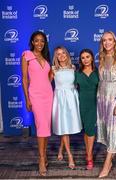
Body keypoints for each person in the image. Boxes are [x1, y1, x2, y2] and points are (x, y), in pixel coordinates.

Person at [97, 31, 116, 178]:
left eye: (110, 40)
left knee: (113, 130)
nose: (107, 43)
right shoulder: (101, 58)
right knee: (105, 129)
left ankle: (107, 163)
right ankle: (110, 155)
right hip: (102, 98)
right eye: (104, 40)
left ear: (115, 42)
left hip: (113, 99)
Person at [21, 31, 53, 176]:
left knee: (46, 127)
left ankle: (44, 154)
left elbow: (48, 79)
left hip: (48, 95)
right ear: (32, 42)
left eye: (42, 41)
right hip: (35, 96)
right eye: (36, 41)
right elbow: (24, 79)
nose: (39, 43)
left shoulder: (46, 58)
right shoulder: (26, 55)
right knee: (41, 126)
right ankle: (41, 159)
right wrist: (27, 99)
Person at [51, 46, 82, 169]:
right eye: (58, 54)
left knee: (67, 127)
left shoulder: (73, 68)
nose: (61, 55)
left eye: (63, 53)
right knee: (63, 127)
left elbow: (76, 85)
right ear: (56, 57)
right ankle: (70, 156)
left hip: (72, 98)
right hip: (60, 99)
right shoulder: (53, 69)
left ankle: (60, 148)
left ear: (67, 54)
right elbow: (46, 85)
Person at [75, 49, 99, 170]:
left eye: (87, 57)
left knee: (90, 130)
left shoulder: (98, 72)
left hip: (94, 104)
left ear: (92, 58)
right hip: (81, 104)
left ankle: (89, 157)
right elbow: (71, 87)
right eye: (83, 57)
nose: (85, 59)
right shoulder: (77, 73)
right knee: (86, 130)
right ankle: (87, 152)